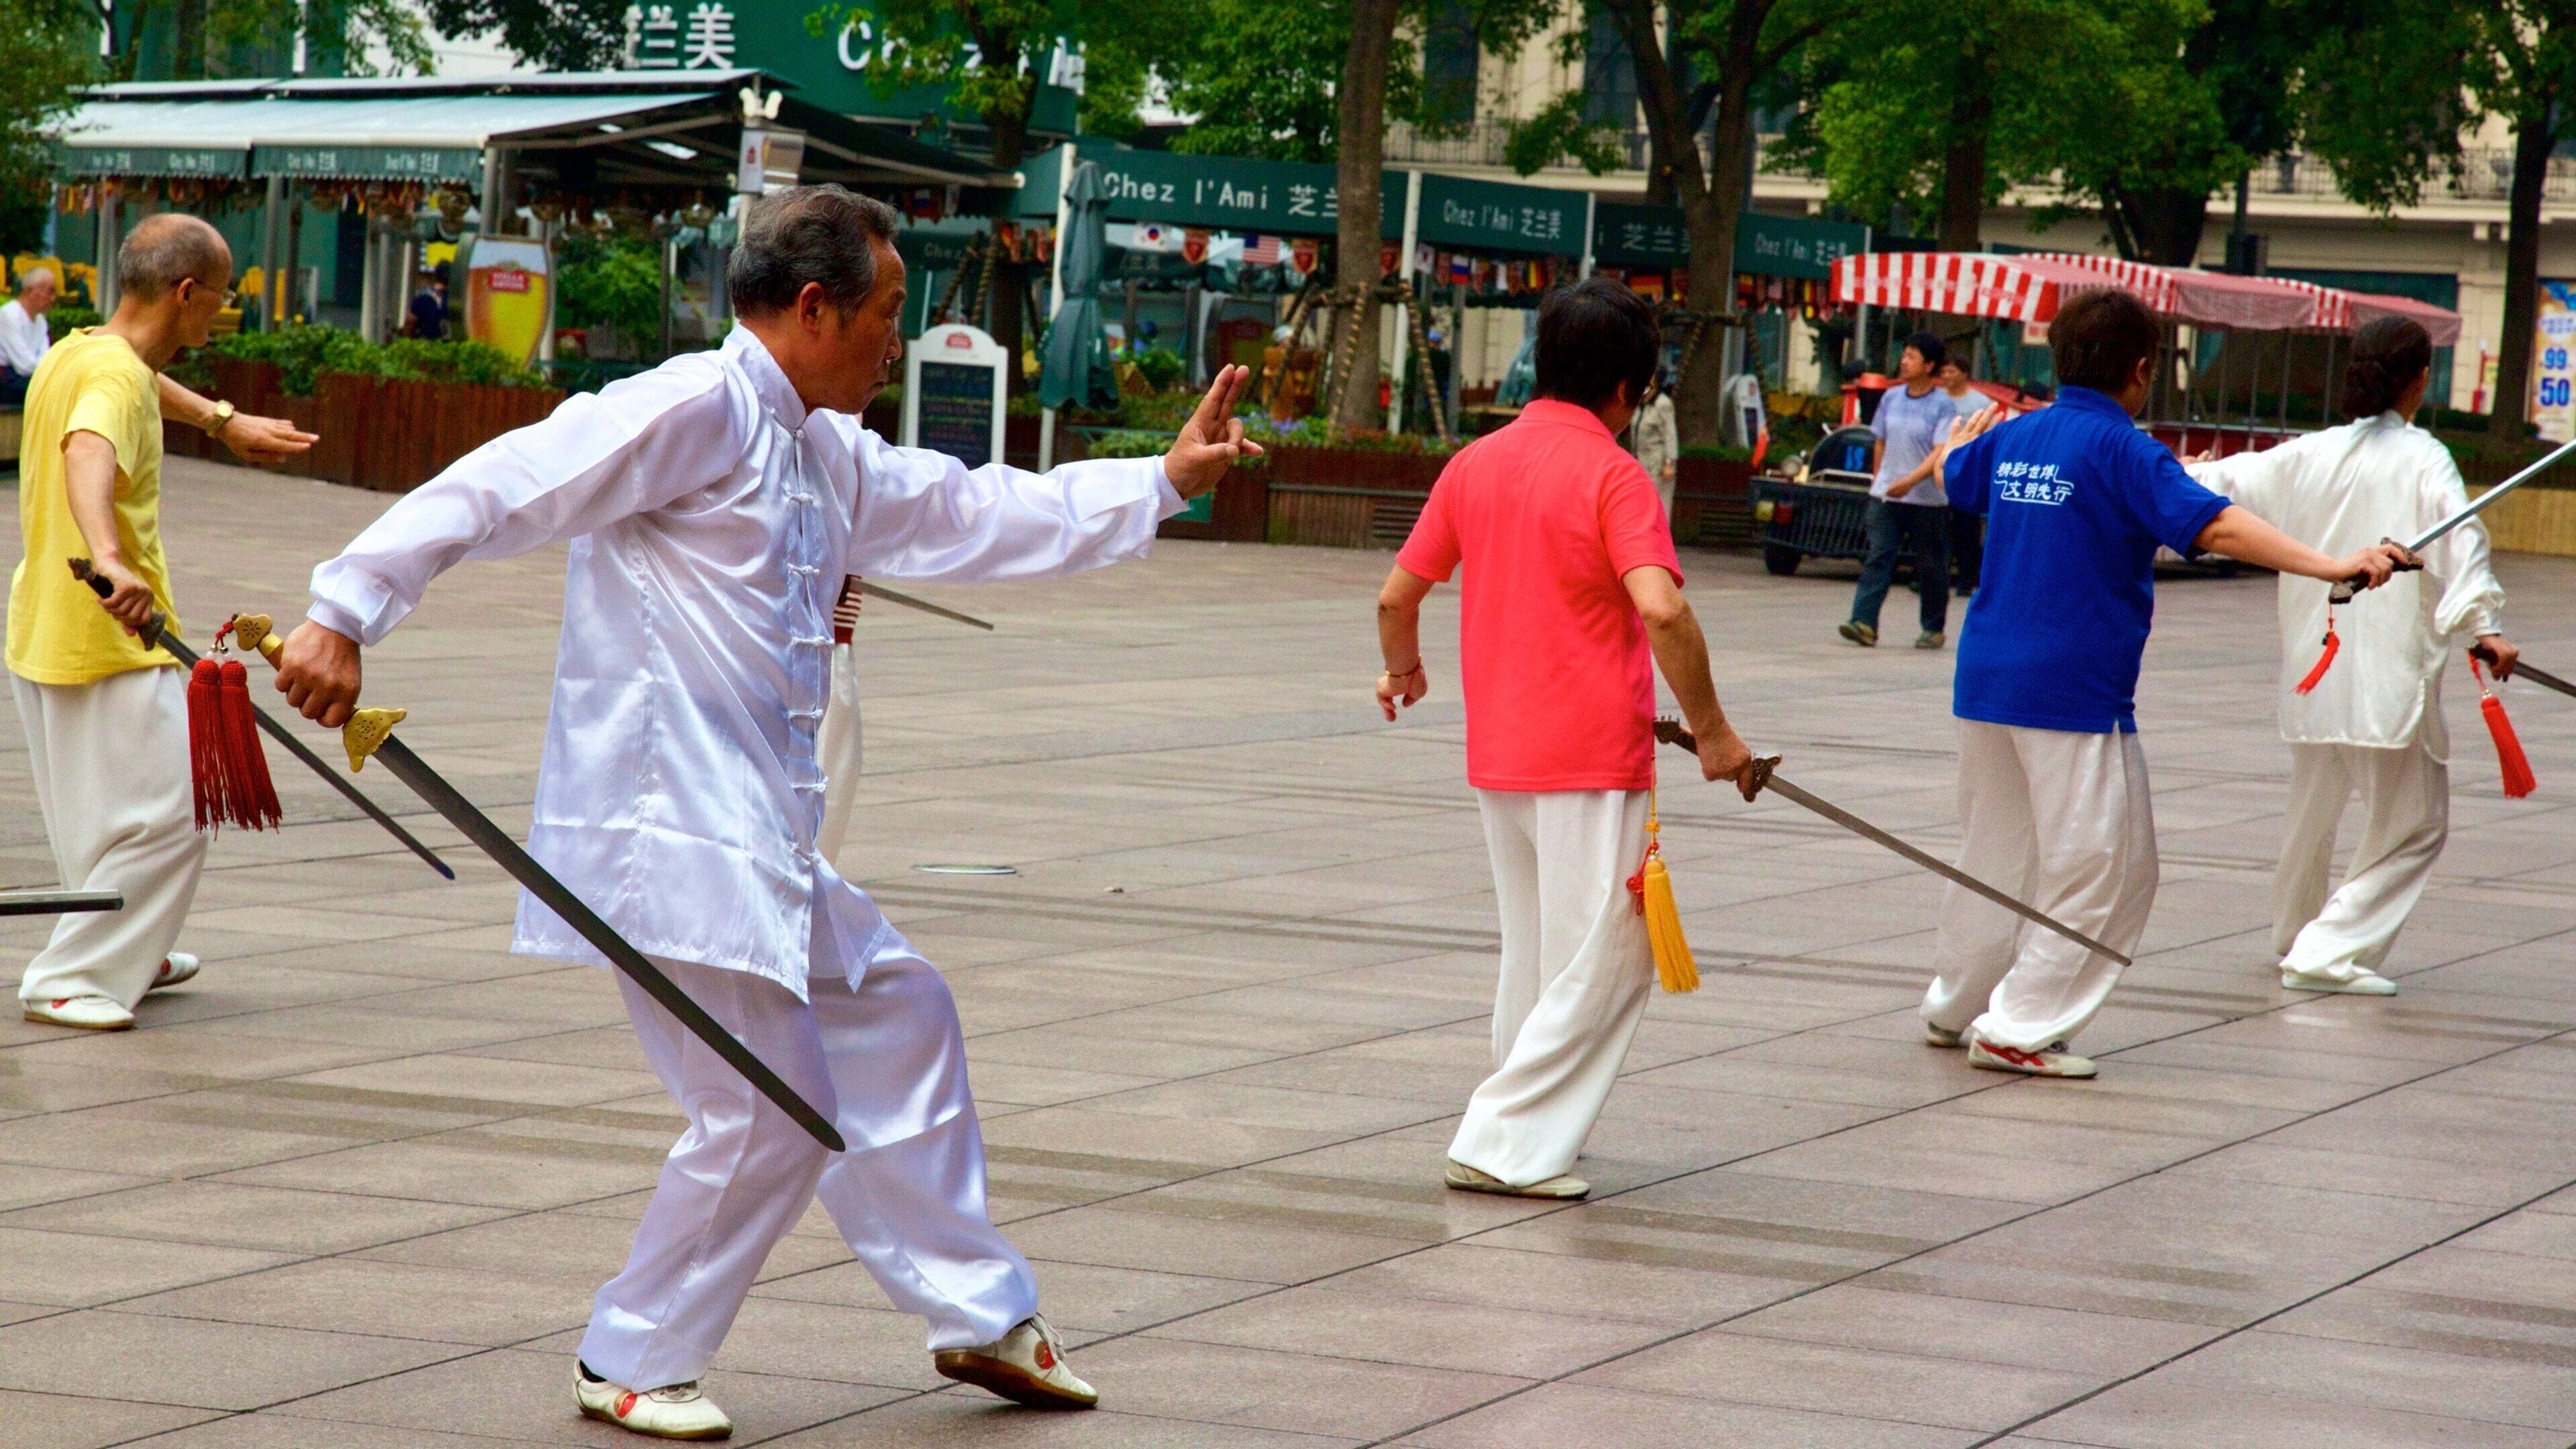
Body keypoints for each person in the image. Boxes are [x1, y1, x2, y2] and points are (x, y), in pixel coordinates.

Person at [270, 186, 1260, 1441]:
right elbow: (509, 480)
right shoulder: (692, 407)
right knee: (769, 1109)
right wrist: (345, 608)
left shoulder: (825, 448)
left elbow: (972, 511)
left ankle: (975, 1309)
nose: (898, 341)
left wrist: (1161, 481)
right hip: (669, 836)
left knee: (903, 1007)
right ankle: (633, 1354)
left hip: (759, 845)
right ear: (812, 308)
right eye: (889, 313)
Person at [1920, 288, 2412, 1078]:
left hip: (1985, 680)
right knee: (2108, 867)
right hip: (2072, 693)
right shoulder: (2124, 451)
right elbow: (2212, 523)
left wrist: (1951, 447)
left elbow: (1957, 477)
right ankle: (2019, 1025)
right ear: (2142, 370)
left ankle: (1955, 1004)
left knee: (1996, 854)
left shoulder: (2019, 436)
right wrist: (2335, 563)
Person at [1375, 278, 1756, 1201]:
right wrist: (1714, 731)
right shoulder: (1612, 473)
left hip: (1501, 754)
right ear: (1630, 388)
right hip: (1588, 754)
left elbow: (1396, 595)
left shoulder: (1477, 463)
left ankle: (1529, 1125)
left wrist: (1404, 671)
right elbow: (1661, 608)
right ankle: (1506, 1139)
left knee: (1541, 949)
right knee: (1609, 957)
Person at [10, 216, 316, 1030]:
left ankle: (124, 944)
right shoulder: (110, 378)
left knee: (104, 812)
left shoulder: (81, 348)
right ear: (187, 293)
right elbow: (88, 448)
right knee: (178, 809)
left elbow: (137, 386)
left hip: (48, 620)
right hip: (110, 629)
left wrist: (224, 422)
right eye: (220, 299)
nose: (219, 315)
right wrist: (110, 555)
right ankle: (72, 975)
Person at [2184, 317, 2514, 997]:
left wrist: (2125, 463)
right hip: (2383, 671)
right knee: (2417, 822)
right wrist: (2482, 625)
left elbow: (2218, 480)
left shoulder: (2311, 454)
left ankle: (2295, 933)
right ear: (2421, 379)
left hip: (2315, 666)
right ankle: (2326, 951)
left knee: (2314, 810)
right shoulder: (2422, 458)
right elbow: (2462, 543)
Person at [1842, 331, 1958, 650]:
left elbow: (1940, 450)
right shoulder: (1891, 398)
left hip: (1926, 500)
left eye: (1912, 357)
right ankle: (1863, 622)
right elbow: (1880, 439)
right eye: (1904, 355)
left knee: (1931, 564)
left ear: (1929, 365)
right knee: (1879, 556)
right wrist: (1881, 479)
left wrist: (1910, 480)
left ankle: (1933, 627)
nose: (1904, 362)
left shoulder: (1943, 406)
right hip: (1888, 495)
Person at [1936, 352, 1989, 594]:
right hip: (1935, 470)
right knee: (1938, 531)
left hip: (1965, 472)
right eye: (1944, 372)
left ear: (1964, 374)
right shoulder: (1936, 400)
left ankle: (1967, 579)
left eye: (1952, 371)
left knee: (1966, 530)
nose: (1946, 376)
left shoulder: (1981, 403)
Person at [0, 266, 56, 405]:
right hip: (7, 379)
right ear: (30, 291)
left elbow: (46, 357)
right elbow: (24, 367)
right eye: (49, 292)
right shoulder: (8, 315)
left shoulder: (41, 320)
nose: (53, 298)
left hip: (29, 377)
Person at [1631, 364, 1679, 519]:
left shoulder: (1663, 404)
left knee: (1659, 510)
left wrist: (1669, 464)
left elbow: (1670, 434)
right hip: (1640, 462)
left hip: (1658, 465)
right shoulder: (1641, 403)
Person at [406, 274, 448, 341]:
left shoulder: (423, 295)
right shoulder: (423, 298)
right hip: (435, 336)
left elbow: (412, 317)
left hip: (427, 335)